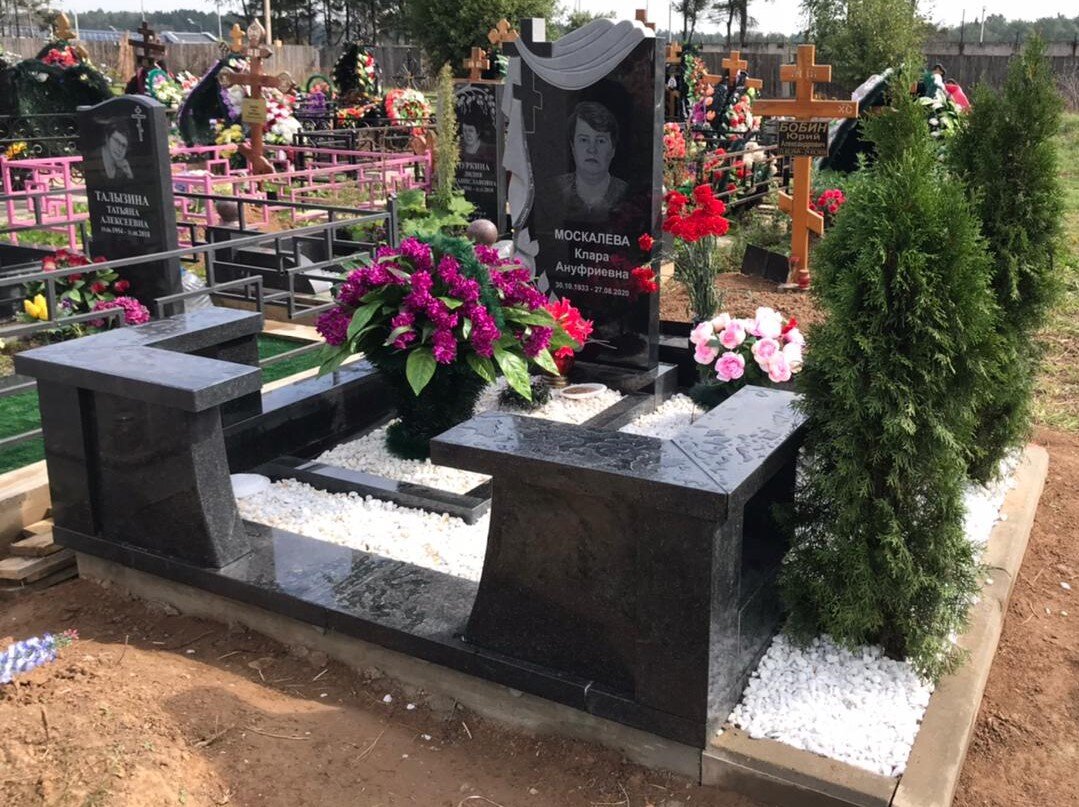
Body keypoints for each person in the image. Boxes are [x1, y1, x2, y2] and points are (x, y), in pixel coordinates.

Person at [554, 101, 628, 223]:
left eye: (600, 141)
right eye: (584, 140)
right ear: (573, 147)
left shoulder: (627, 193)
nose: (592, 149)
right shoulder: (554, 190)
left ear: (613, 150)